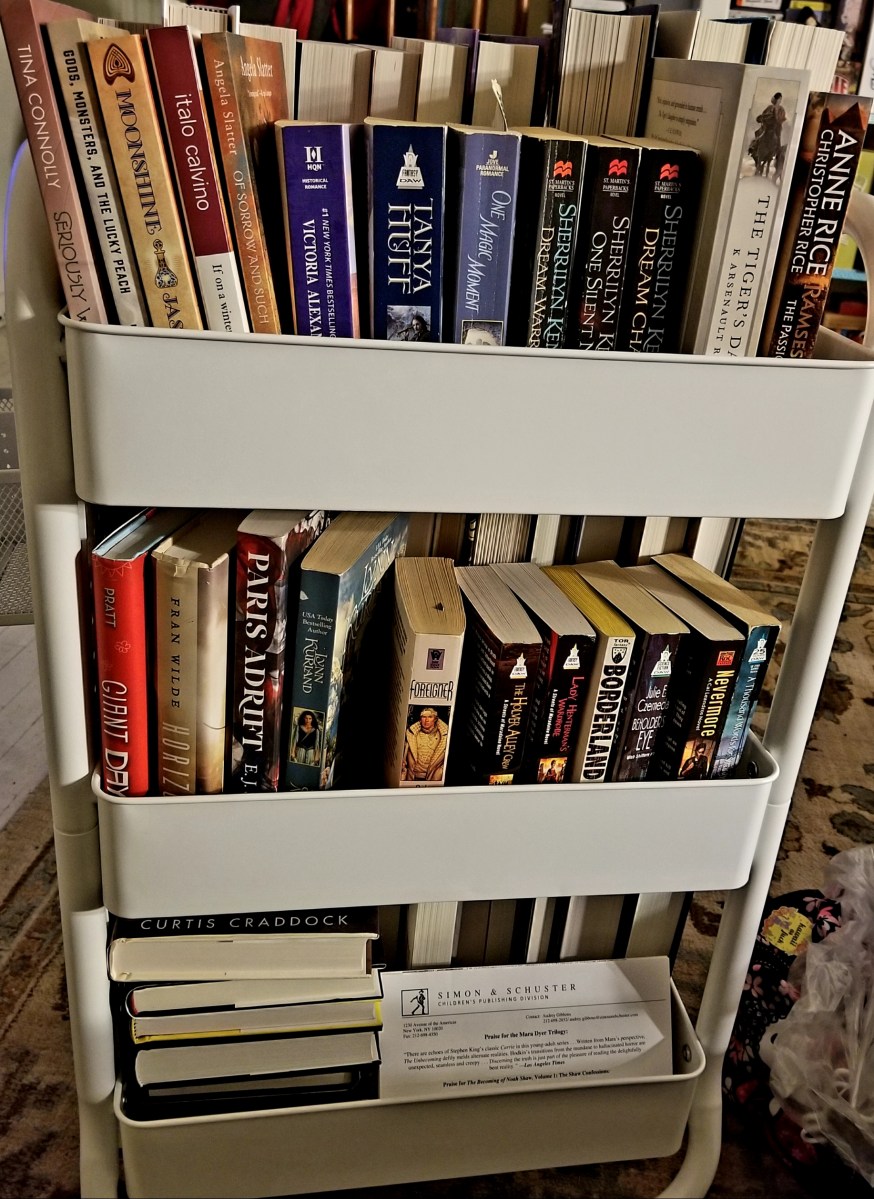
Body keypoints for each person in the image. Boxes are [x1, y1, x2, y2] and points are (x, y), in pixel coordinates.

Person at [401, 706, 449, 783]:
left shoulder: (444, 737)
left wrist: (440, 772)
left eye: (430, 717)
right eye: (423, 717)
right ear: (420, 719)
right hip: (412, 778)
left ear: (435, 719)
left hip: (433, 778)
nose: (426, 720)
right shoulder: (411, 735)